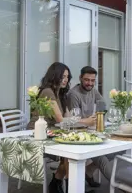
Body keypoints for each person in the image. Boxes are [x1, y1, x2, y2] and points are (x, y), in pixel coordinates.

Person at [27, 62, 94, 193]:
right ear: (54, 75)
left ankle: (57, 183)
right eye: (63, 76)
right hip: (37, 132)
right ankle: (68, 187)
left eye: (67, 77)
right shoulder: (47, 92)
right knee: (70, 151)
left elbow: (69, 118)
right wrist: (85, 121)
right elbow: (61, 120)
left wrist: (79, 123)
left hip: (53, 131)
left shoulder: (60, 94)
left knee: (71, 150)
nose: (66, 79)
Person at [67, 66, 105, 187]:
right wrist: (88, 121)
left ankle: (88, 171)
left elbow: (103, 105)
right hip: (77, 131)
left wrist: (97, 116)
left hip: (90, 128)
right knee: (103, 148)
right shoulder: (74, 94)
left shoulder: (93, 90)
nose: (90, 83)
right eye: (86, 80)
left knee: (117, 148)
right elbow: (74, 120)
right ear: (80, 78)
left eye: (93, 80)